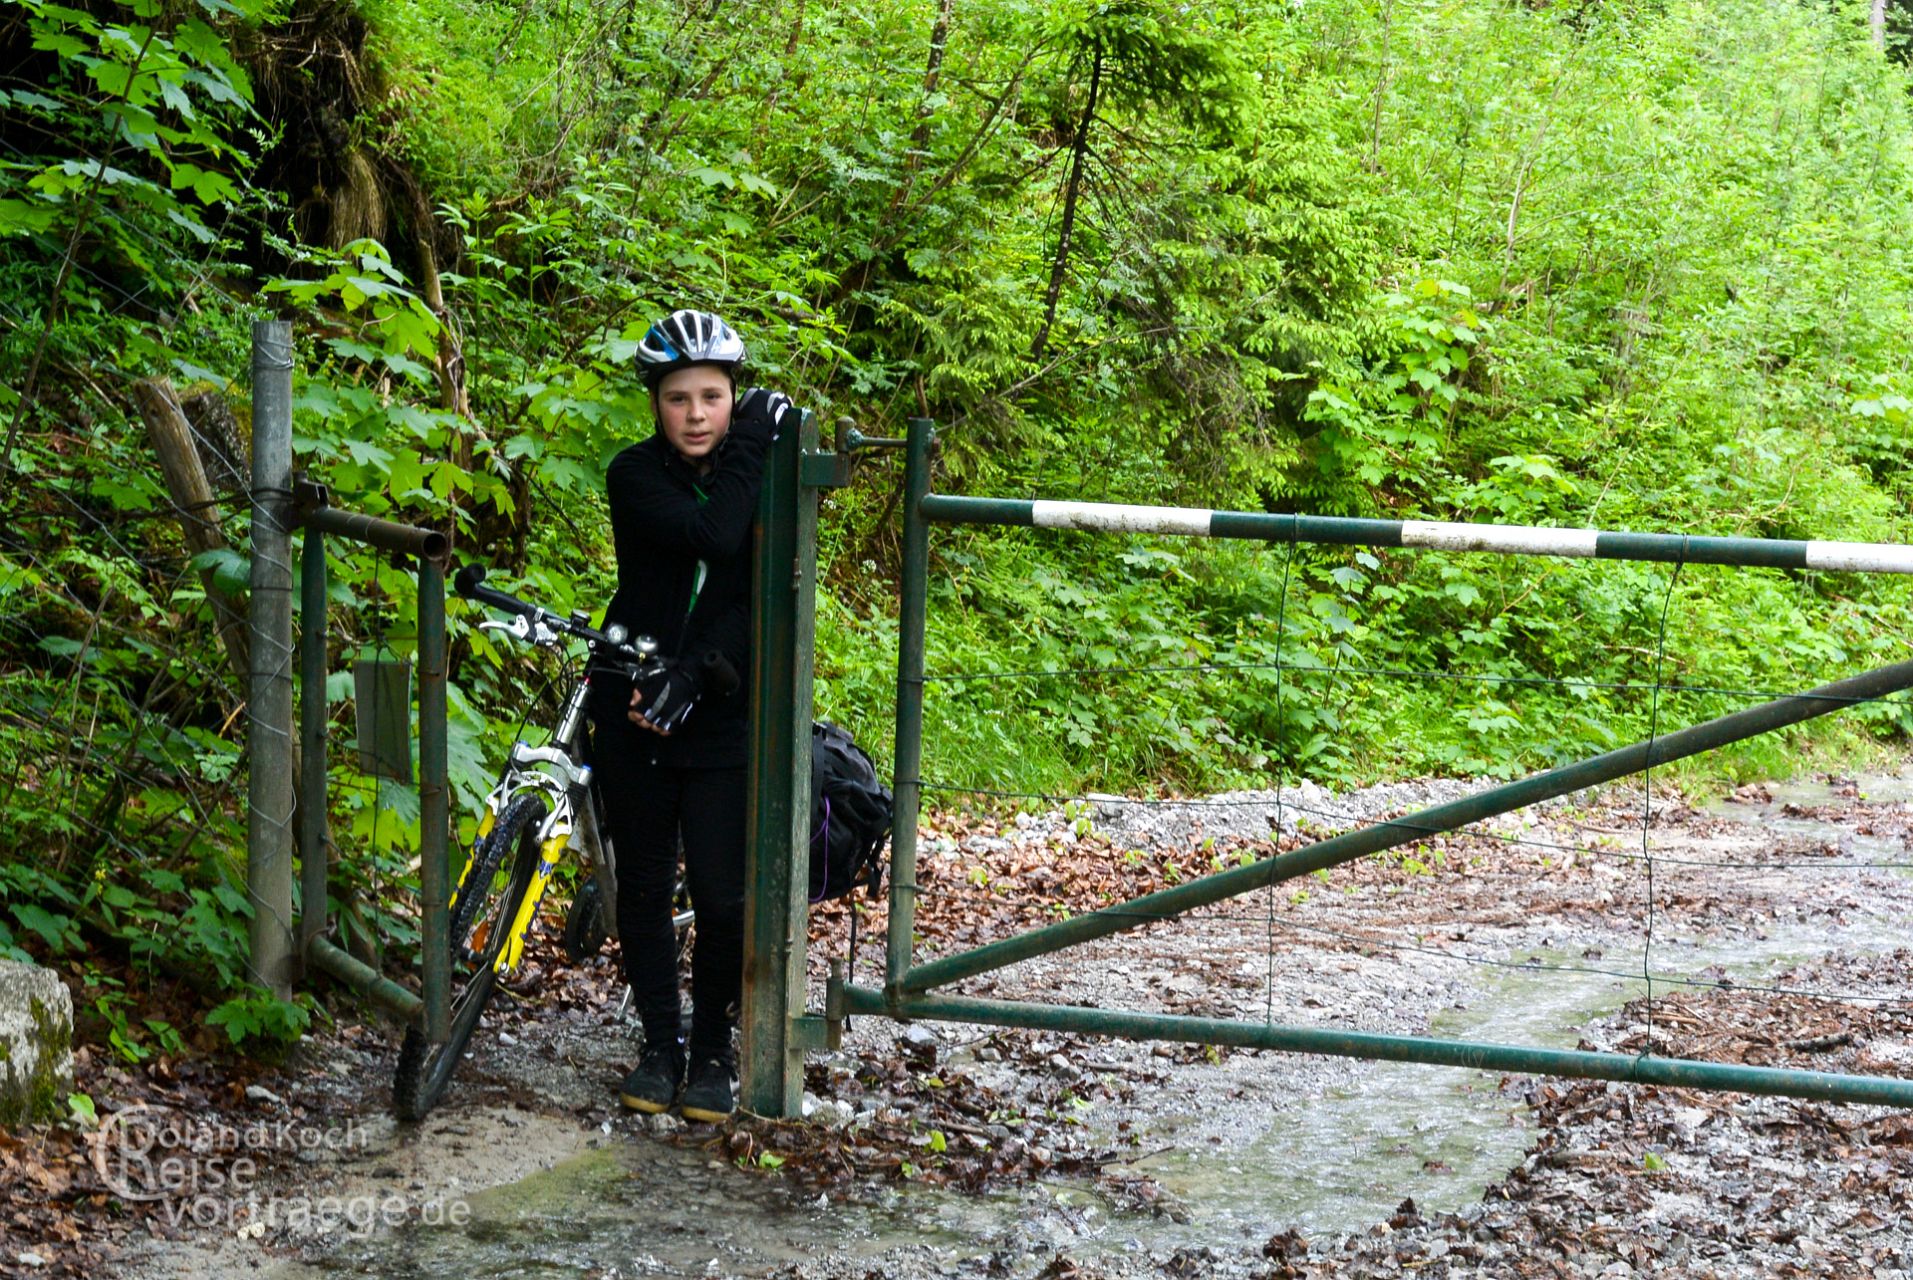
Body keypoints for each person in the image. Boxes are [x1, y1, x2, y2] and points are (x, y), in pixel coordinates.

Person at [590, 308, 792, 1121]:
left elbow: (751, 593)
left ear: (732, 396)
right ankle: (659, 1045)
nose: (698, 414)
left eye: (715, 396)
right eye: (680, 398)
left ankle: (712, 1052)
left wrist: (702, 672)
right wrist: (755, 443)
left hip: (715, 708)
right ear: (656, 405)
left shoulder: (760, 481)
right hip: (632, 697)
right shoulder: (633, 475)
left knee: (719, 895)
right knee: (640, 885)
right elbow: (710, 537)